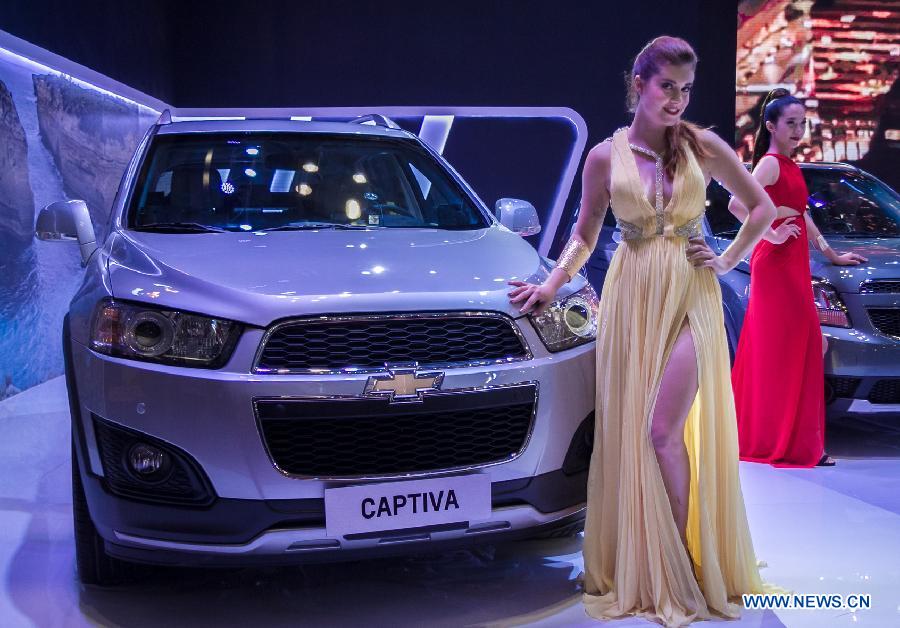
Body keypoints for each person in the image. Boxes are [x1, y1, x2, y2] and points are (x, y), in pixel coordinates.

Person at [509, 36, 778, 625]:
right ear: (640, 84)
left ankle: (681, 562)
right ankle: (648, 559)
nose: (677, 99)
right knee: (634, 432)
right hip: (630, 298)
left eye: (685, 88)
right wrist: (551, 285)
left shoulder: (703, 146)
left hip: (689, 294)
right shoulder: (606, 157)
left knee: (662, 431)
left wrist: (728, 260)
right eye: (666, 87)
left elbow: (759, 207)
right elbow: (584, 235)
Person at [728, 89, 867, 468]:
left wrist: (831, 253)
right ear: (771, 126)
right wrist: (770, 233)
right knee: (784, 347)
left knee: (802, 345)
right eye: (791, 123)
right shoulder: (770, 164)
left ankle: (797, 440)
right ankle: (782, 441)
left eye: (801, 123)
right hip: (774, 262)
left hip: (793, 261)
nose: (798, 130)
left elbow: (801, 214)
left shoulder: (790, 166)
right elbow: (737, 204)